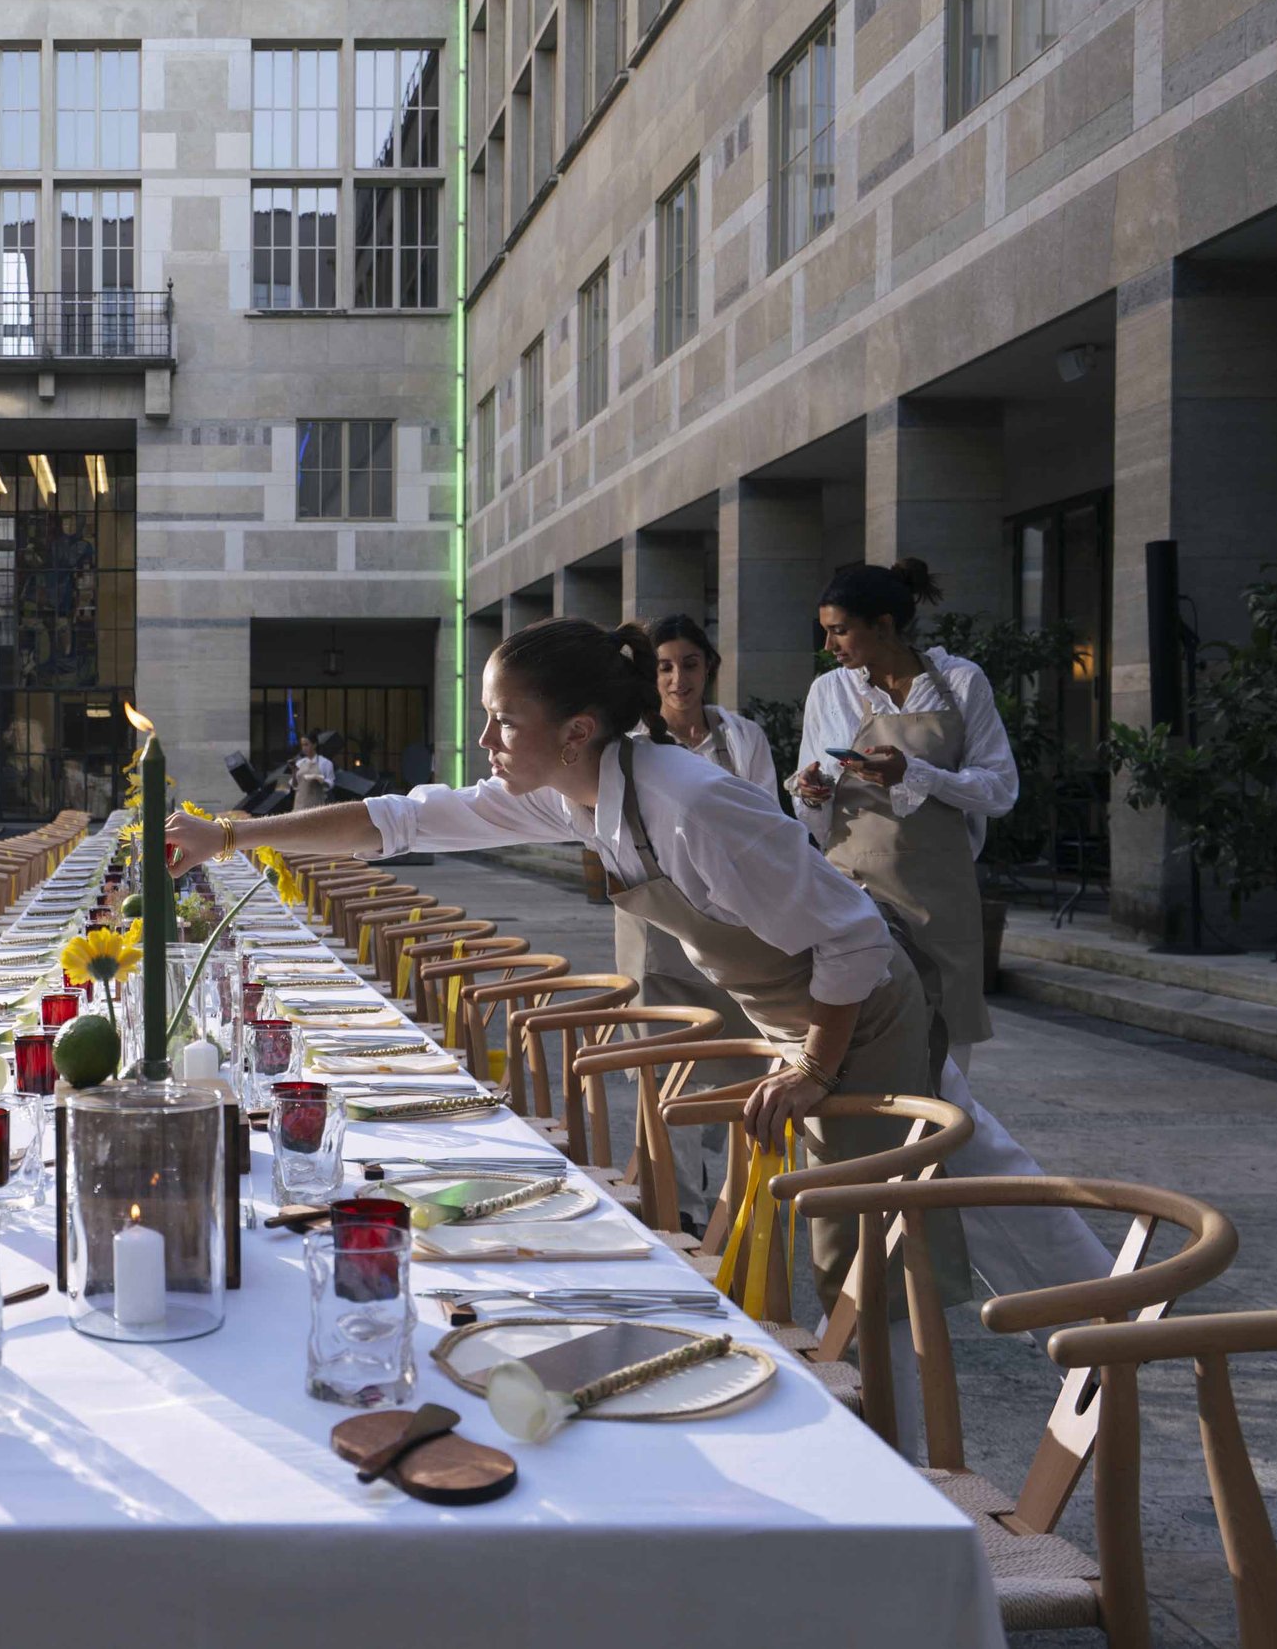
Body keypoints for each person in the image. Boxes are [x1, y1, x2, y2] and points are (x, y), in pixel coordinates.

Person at [165, 619, 1110, 1324]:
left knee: (867, 1244)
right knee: (966, 1169)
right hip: (801, 1011)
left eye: (503, 723)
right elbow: (400, 821)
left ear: (577, 729)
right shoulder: (578, 796)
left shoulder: (693, 804)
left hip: (860, 1010)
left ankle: (966, 1410)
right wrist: (231, 834)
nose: (488, 744)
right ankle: (1110, 1314)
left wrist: (815, 1065)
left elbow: (855, 936)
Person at [790, 560, 1019, 1068]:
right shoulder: (829, 691)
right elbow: (809, 813)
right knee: (858, 1043)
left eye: (840, 631)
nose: (829, 647)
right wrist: (810, 791)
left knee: (947, 1061)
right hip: (853, 889)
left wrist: (917, 774)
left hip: (941, 894)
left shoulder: (959, 682)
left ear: (885, 625)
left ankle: (943, 1147)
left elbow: (1000, 789)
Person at [614, 614, 773, 1231]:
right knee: (665, 1065)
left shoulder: (743, 737)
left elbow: (763, 818)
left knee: (732, 1066)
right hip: (657, 918)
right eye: (664, 666)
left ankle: (731, 1205)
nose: (678, 678)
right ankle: (678, 1209)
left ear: (710, 667)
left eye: (690, 664)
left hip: (733, 920)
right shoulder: (631, 743)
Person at [288, 739, 334, 811]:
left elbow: (330, 783)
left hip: (316, 806)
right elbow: (295, 785)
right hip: (299, 806)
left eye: (306, 745)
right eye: (302, 745)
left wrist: (320, 779)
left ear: (314, 745)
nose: (304, 748)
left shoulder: (325, 763)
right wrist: (293, 771)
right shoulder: (299, 763)